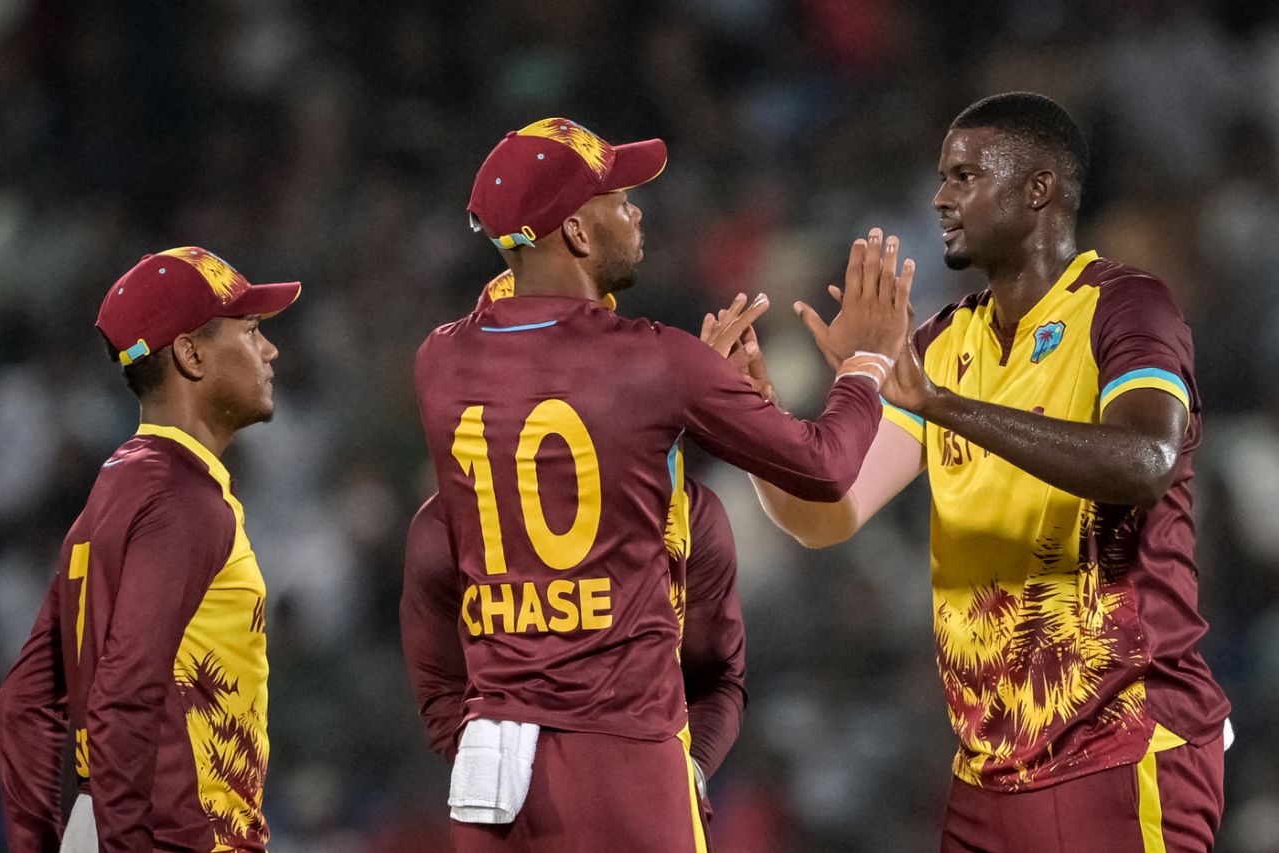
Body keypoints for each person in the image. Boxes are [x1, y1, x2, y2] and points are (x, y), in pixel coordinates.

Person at [413, 116, 911, 852]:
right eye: (617, 198)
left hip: (493, 775)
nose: (636, 209)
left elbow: (536, 356)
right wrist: (864, 364)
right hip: (624, 755)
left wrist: (674, 410)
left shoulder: (439, 361)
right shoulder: (656, 363)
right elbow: (827, 467)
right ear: (578, 234)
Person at [752, 92, 1231, 852]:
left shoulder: (1126, 306)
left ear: (1038, 189)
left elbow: (1146, 461)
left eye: (966, 175)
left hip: (1121, 742)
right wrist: (754, 423)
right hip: (990, 771)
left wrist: (947, 408)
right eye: (943, 176)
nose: (941, 196)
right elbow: (827, 512)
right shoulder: (943, 342)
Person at [0, 247, 300, 853]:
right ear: (191, 355)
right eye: (250, 332)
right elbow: (123, 696)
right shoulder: (182, 501)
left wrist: (39, 842)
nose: (269, 351)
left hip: (111, 824)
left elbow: (25, 703)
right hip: (172, 833)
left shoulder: (116, 490)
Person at [401, 477, 746, 844]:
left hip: (648, 803)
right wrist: (497, 773)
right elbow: (440, 688)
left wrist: (680, 776)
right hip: (514, 818)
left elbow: (719, 677)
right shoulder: (447, 524)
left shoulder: (688, 513)